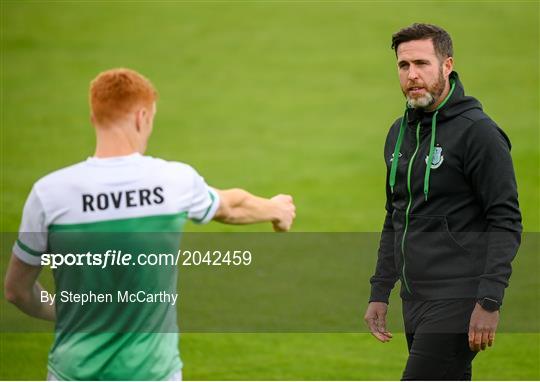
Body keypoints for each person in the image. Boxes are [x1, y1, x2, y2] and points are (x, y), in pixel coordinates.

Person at [4, 68, 296, 381]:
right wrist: (276, 209)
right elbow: (231, 207)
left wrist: (64, 311)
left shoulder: (50, 193)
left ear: (94, 119)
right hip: (154, 374)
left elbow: (17, 290)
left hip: (72, 373)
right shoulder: (173, 180)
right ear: (142, 117)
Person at [364, 23, 522, 380]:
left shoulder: (478, 133)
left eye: (422, 63)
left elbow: (506, 220)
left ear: (447, 65)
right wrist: (380, 291)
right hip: (414, 298)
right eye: (404, 66)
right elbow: (396, 215)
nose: (412, 75)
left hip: (460, 298)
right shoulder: (399, 132)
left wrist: (489, 301)